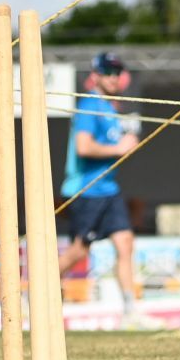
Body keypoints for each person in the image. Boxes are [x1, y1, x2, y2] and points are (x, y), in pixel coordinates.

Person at [57, 52, 141, 312]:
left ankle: (130, 309)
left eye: (117, 72)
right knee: (79, 252)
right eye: (108, 72)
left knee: (125, 243)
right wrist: (119, 149)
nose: (113, 78)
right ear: (95, 76)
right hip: (86, 190)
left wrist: (125, 146)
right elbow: (83, 147)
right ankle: (37, 288)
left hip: (109, 189)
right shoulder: (89, 105)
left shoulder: (110, 108)